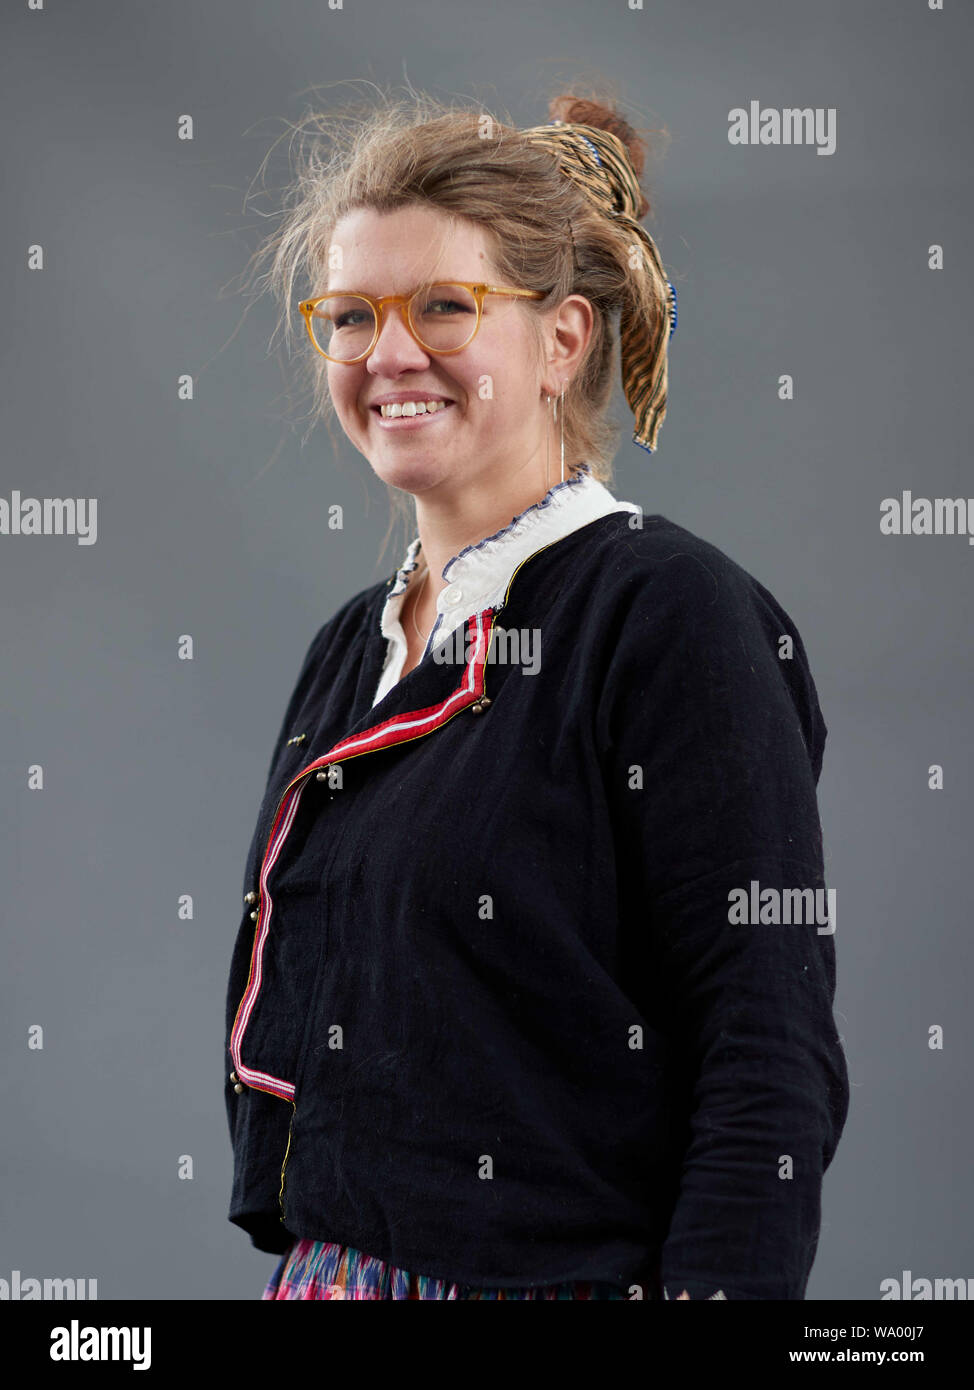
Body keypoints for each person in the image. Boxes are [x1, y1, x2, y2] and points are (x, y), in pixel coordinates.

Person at [224, 87, 850, 1301]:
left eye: (443, 308)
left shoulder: (666, 615)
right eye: (348, 317)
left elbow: (766, 1053)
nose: (388, 354)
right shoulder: (350, 648)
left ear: (562, 340)